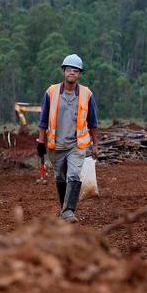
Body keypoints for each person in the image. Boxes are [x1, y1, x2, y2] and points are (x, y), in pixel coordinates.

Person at [36, 54, 99, 223]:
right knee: (60, 178)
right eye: (69, 70)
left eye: (76, 71)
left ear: (79, 74)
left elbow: (93, 123)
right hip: (55, 146)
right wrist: (41, 142)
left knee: (73, 176)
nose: (72, 73)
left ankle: (69, 211)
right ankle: (64, 208)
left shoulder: (87, 94)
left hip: (77, 145)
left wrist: (95, 145)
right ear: (64, 71)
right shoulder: (51, 92)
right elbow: (43, 120)